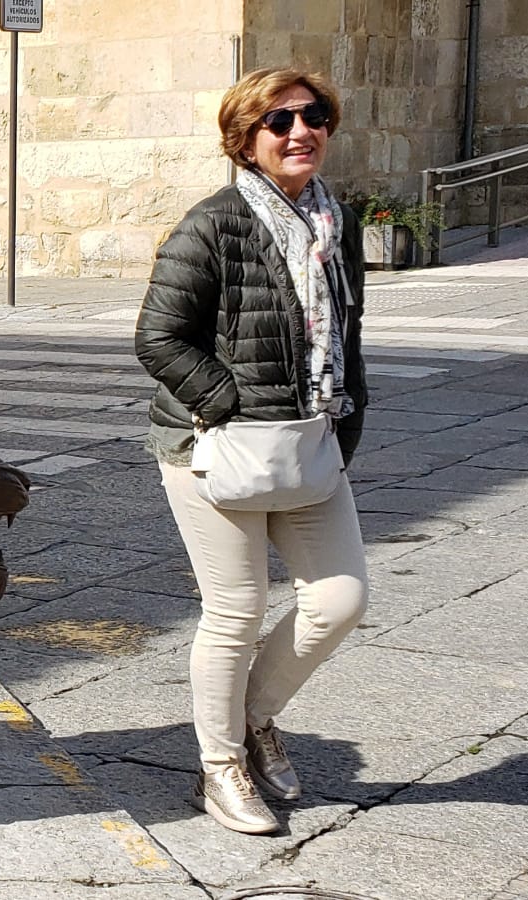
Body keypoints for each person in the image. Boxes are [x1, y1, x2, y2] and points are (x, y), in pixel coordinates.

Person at [133, 68, 370, 835]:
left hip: (308, 443)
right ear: (246, 140)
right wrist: (226, 404)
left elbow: (348, 332)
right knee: (235, 611)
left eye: (313, 116)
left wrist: (347, 414)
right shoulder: (213, 225)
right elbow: (158, 338)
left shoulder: (338, 224)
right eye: (279, 122)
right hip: (215, 448)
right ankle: (220, 766)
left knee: (340, 599)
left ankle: (255, 715)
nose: (300, 131)